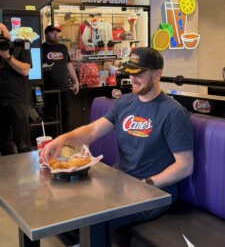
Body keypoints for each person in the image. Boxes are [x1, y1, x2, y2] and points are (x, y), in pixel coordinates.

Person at [42, 47, 194, 245]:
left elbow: (185, 165)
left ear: (157, 74)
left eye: (139, 73)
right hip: (120, 184)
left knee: (87, 222)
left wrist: (147, 183)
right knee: (64, 211)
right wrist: (61, 139)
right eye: (130, 72)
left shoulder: (173, 112)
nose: (132, 79)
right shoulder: (125, 102)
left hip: (152, 193)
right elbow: (92, 131)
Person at [0, 23, 32, 155]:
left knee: (22, 143)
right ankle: (9, 174)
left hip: (17, 100)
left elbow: (25, 70)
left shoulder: (20, 45)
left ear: (7, 32)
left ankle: (27, 174)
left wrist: (7, 57)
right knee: (3, 143)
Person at [42, 25, 79, 134]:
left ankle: (65, 139)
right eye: (52, 33)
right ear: (46, 34)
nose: (55, 35)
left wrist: (76, 81)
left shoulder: (63, 47)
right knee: (50, 116)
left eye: (57, 33)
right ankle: (52, 141)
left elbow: (69, 65)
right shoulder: (41, 48)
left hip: (64, 88)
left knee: (66, 114)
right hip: (49, 89)